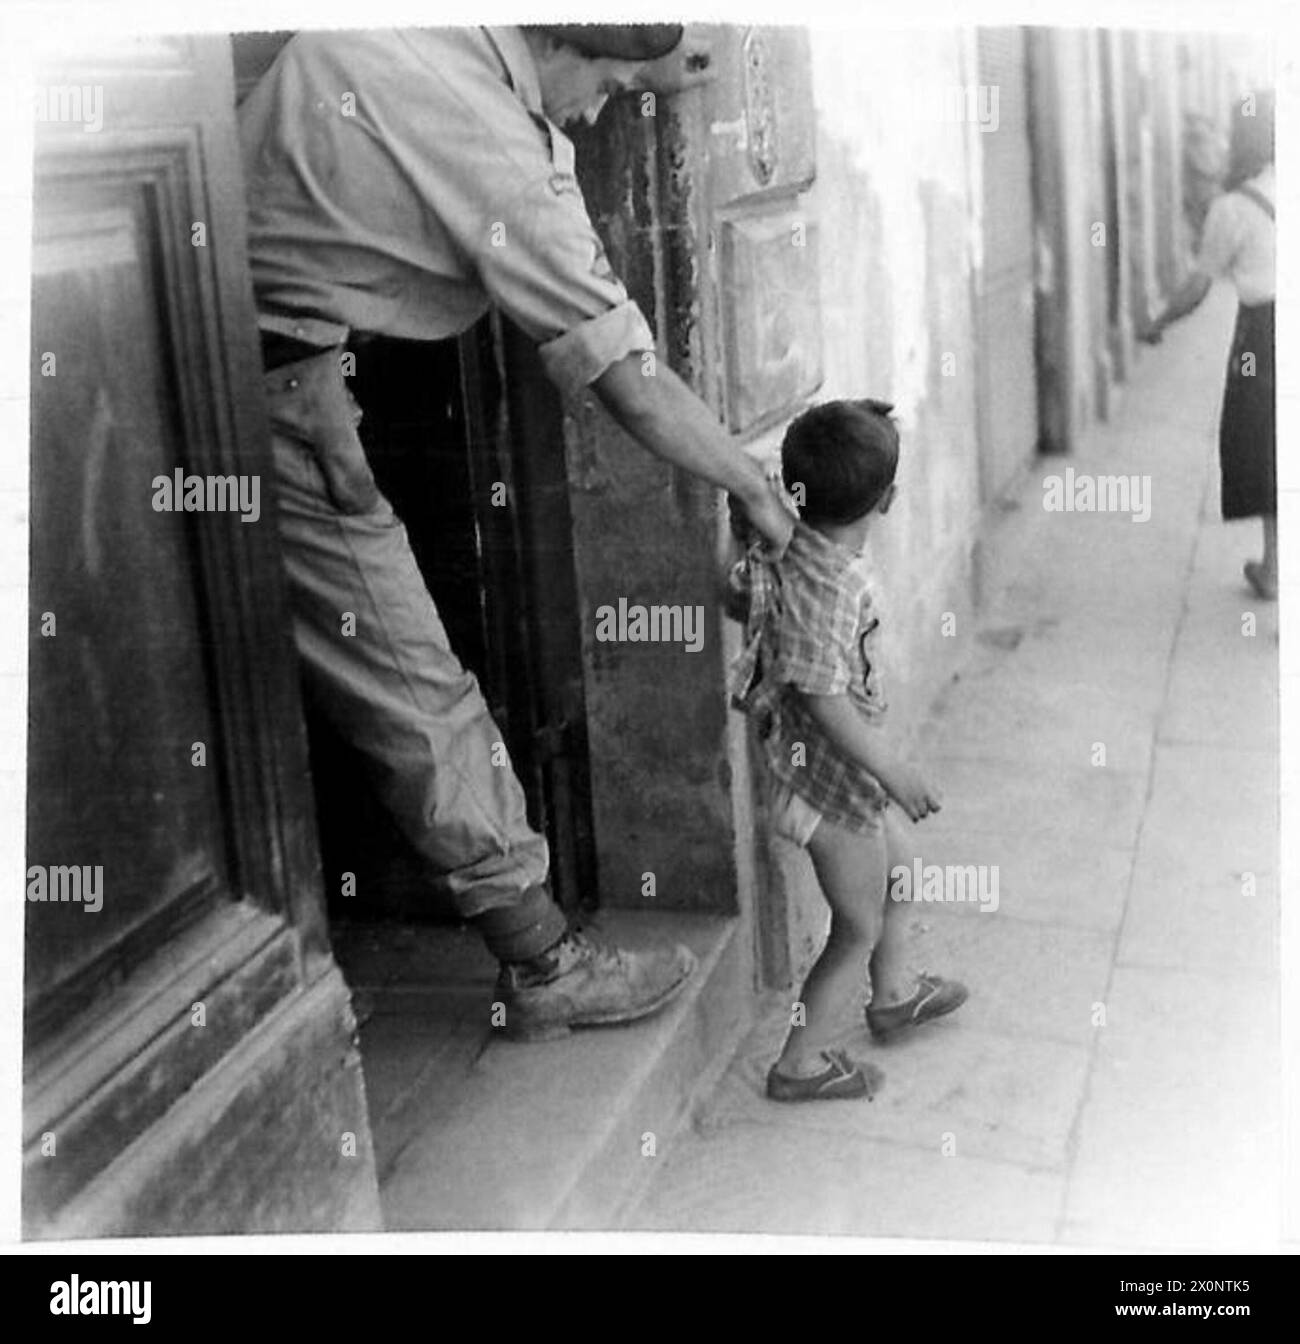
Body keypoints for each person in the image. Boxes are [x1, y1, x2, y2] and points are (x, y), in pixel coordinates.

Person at [237, 24, 796, 1042]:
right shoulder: (491, 138)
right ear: (556, 32)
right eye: (608, 82)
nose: (600, 107)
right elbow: (628, 379)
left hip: (212, 345)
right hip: (270, 385)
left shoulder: (424, 30)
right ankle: (544, 962)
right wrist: (750, 488)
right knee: (412, 681)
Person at [726, 401, 967, 1102]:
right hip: (829, 794)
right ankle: (798, 1064)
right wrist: (893, 771)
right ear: (887, 502)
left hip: (833, 784)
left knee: (900, 873)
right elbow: (824, 696)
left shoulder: (800, 542)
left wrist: (855, 424)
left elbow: (776, 498)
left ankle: (894, 995)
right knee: (854, 929)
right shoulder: (834, 588)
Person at [1143, 90, 1276, 600]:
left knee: (1265, 444)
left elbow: (1198, 288)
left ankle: (1275, 567)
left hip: (1262, 337)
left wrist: (1158, 322)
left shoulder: (1231, 208)